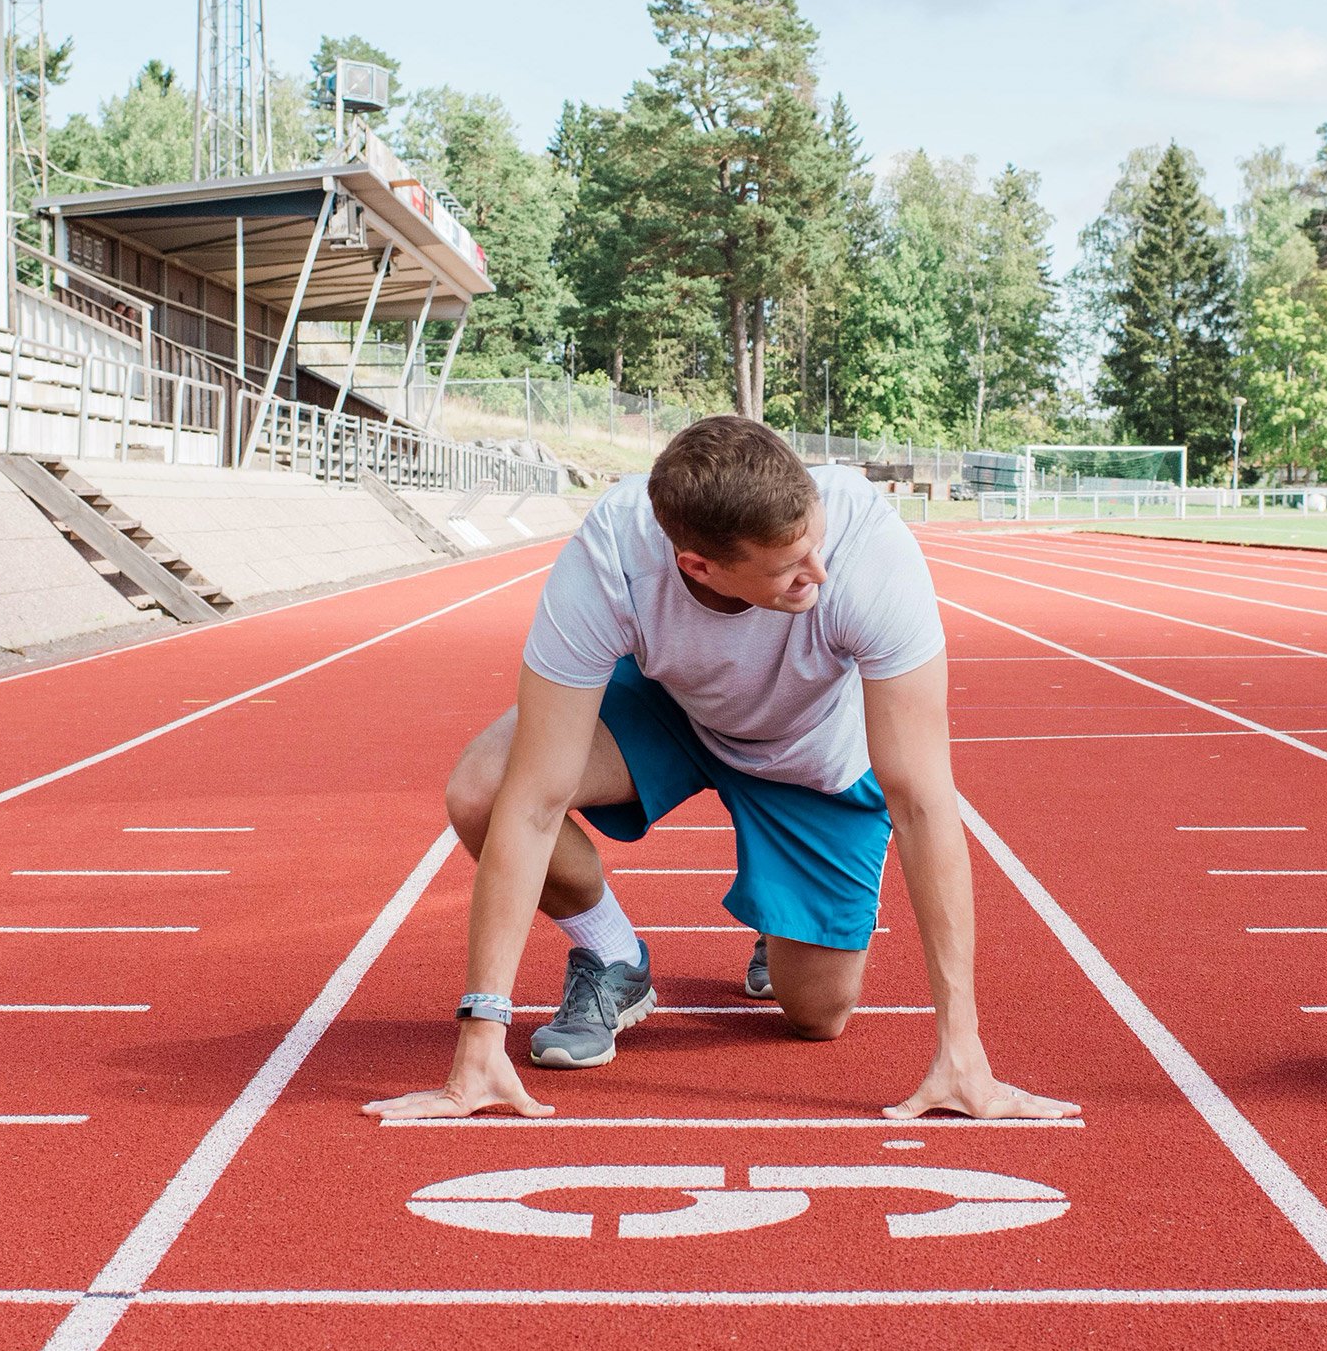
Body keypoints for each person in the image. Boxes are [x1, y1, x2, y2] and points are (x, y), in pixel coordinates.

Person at [366, 415, 1073, 1122]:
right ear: (697, 565)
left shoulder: (865, 550)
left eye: (815, 543)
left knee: (818, 1016)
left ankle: (783, 928)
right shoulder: (612, 555)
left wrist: (963, 1053)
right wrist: (479, 1040)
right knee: (485, 789)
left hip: (813, 757)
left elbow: (922, 802)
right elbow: (531, 803)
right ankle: (613, 956)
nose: (818, 574)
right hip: (675, 708)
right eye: (788, 566)